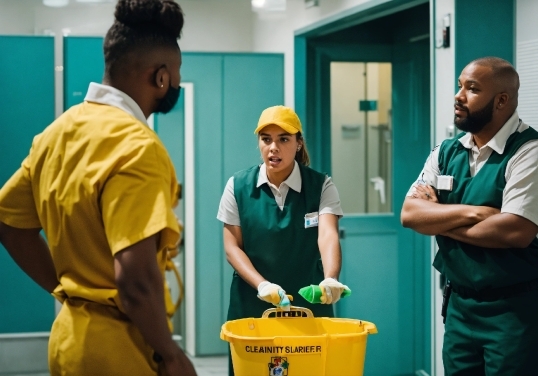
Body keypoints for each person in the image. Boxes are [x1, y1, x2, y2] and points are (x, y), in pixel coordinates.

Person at [0, 1, 197, 375]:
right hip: (120, 349)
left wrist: (67, 290)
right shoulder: (139, 146)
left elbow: (9, 225)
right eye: (176, 72)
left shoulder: (56, 134)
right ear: (160, 77)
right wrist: (171, 354)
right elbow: (136, 282)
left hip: (68, 341)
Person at [401, 57, 538, 375]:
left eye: (472, 88)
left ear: (502, 100)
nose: (459, 96)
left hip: (515, 312)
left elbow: (513, 231)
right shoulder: (446, 151)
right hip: (460, 308)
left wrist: (439, 220)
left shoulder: (532, 151)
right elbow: (410, 213)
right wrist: (475, 213)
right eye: (459, 86)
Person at [217, 105, 348, 375]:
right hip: (253, 306)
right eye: (266, 139)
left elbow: (328, 234)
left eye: (283, 139)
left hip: (307, 307)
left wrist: (331, 278)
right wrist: (261, 284)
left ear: (298, 143)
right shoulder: (237, 186)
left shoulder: (321, 185)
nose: (273, 147)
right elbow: (232, 247)